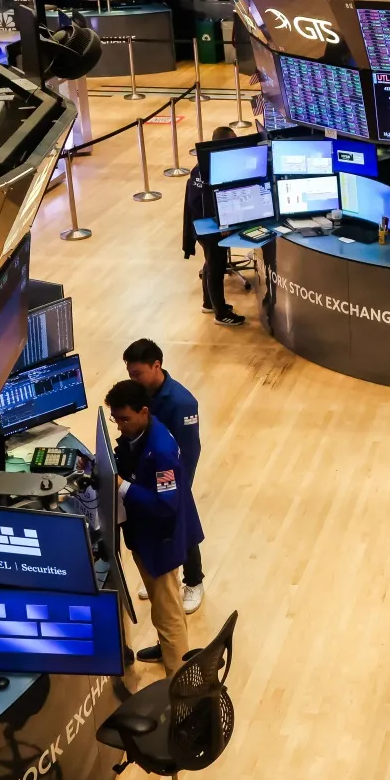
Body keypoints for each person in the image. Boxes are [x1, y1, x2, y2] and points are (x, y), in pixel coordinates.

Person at [105, 379, 193, 669]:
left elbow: (165, 505)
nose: (119, 425)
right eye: (115, 418)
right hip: (145, 538)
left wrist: (121, 486)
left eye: (124, 418)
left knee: (168, 617)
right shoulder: (141, 433)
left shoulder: (162, 452)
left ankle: (181, 686)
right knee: (163, 608)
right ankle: (169, 653)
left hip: (160, 544)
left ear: (144, 411)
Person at [123, 338, 207, 614]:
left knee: (182, 528)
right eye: (130, 373)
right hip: (149, 472)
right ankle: (160, 575)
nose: (132, 379)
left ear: (156, 366)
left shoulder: (182, 403)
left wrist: (180, 491)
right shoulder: (142, 393)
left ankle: (194, 581)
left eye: (137, 373)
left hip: (174, 477)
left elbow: (189, 450)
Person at [183, 126, 246, 327]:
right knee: (216, 267)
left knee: (210, 263)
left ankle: (209, 303)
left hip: (201, 226)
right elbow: (209, 203)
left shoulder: (202, 166)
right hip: (209, 228)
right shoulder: (213, 170)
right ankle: (220, 314)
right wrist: (223, 224)